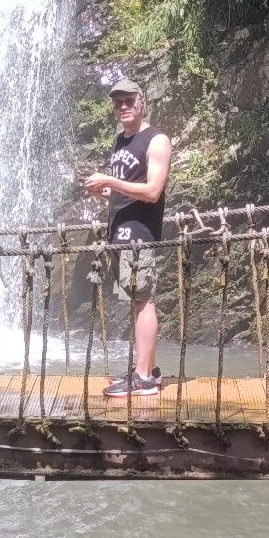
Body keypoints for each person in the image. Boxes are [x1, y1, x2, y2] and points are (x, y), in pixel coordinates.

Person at [83, 79, 171, 398]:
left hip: (139, 234)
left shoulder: (157, 140)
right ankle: (151, 371)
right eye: (118, 102)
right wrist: (105, 191)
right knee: (137, 301)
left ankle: (143, 378)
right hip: (118, 235)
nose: (123, 106)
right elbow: (126, 189)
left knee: (143, 300)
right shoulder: (120, 141)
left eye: (129, 100)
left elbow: (153, 191)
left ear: (142, 102)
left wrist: (110, 180)